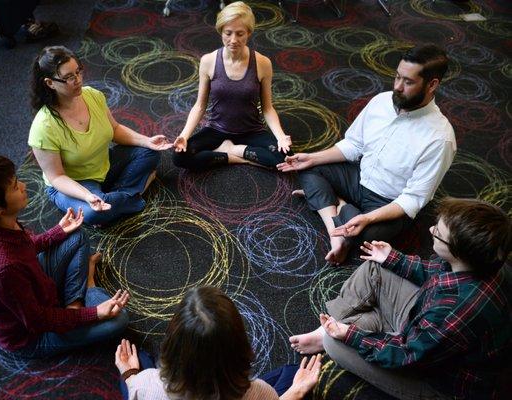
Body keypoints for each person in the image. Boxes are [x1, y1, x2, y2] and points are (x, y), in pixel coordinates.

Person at [288, 198, 511, 400]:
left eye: (438, 233)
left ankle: (335, 332)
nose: (431, 228)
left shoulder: (455, 310)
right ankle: (340, 327)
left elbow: (407, 355)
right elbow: (436, 272)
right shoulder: (487, 261)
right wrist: (393, 258)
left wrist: (350, 335)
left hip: (436, 380)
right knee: (376, 267)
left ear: (459, 251)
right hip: (429, 333)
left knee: (334, 343)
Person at [277, 44, 456, 264]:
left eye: (408, 82)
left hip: (388, 203)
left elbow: (412, 200)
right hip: (359, 177)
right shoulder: (382, 101)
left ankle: (337, 205)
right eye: (397, 77)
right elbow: (354, 145)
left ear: (432, 85)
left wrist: (368, 218)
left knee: (365, 238)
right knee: (309, 168)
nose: (397, 87)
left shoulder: (440, 139)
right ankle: (338, 225)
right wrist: (312, 157)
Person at [0, 154, 130, 358]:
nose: (24, 185)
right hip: (31, 336)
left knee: (75, 235)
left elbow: (23, 248)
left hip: (35, 286)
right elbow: (38, 321)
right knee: (119, 319)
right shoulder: (4, 270)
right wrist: (94, 313)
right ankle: (88, 286)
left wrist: (58, 231)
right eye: (16, 186)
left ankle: (73, 306)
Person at [28, 46, 173, 226]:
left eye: (78, 71)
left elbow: (115, 129)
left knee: (150, 152)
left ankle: (113, 198)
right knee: (92, 214)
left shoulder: (92, 95)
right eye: (69, 77)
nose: (78, 80)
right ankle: (135, 192)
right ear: (50, 83)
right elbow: (57, 177)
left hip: (103, 163)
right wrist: (87, 196)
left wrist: (147, 141)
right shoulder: (43, 127)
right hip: (74, 184)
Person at [115, 286, 322, 399]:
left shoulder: (144, 384)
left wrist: (129, 374)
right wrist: (295, 393)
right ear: (239, 347)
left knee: (139, 357)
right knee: (295, 372)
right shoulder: (258, 391)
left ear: (172, 345)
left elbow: (137, 388)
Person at [172, 1, 292, 170]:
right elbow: (199, 106)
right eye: (228, 33)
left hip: (251, 130)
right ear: (221, 31)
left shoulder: (263, 63)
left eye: (240, 34)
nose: (233, 40)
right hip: (217, 129)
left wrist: (280, 136)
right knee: (179, 156)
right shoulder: (208, 61)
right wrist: (184, 136)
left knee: (285, 157)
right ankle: (231, 157)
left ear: (249, 33)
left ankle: (233, 150)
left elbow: (267, 108)